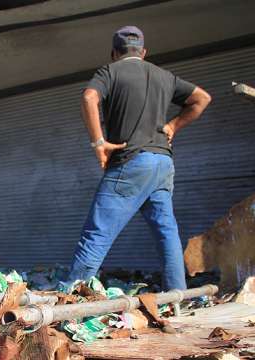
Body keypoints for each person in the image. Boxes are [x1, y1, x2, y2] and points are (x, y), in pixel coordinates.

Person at [66, 26, 211, 290]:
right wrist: (173, 126)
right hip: (163, 163)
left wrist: (99, 142)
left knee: (97, 232)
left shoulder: (109, 72)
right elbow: (202, 98)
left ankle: (68, 295)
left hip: (131, 162)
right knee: (166, 233)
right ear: (143, 52)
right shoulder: (164, 76)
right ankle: (177, 295)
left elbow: (88, 97)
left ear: (114, 53)